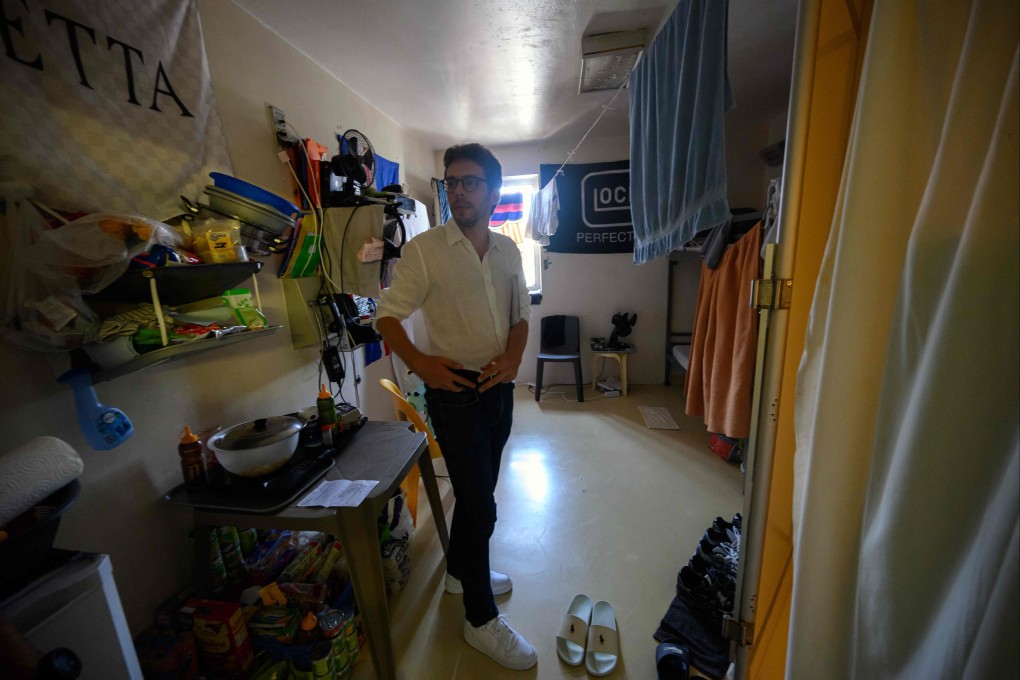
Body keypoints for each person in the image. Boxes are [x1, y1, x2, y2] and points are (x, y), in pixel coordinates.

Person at [374, 143, 535, 670]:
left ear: (493, 191)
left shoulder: (509, 252)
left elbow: (520, 316)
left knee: (479, 490)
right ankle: (479, 619)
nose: (459, 190)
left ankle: (461, 572)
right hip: (454, 392)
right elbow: (387, 318)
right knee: (481, 502)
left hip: (498, 387)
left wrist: (514, 356)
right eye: (452, 182)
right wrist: (420, 364)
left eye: (470, 182)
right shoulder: (426, 250)